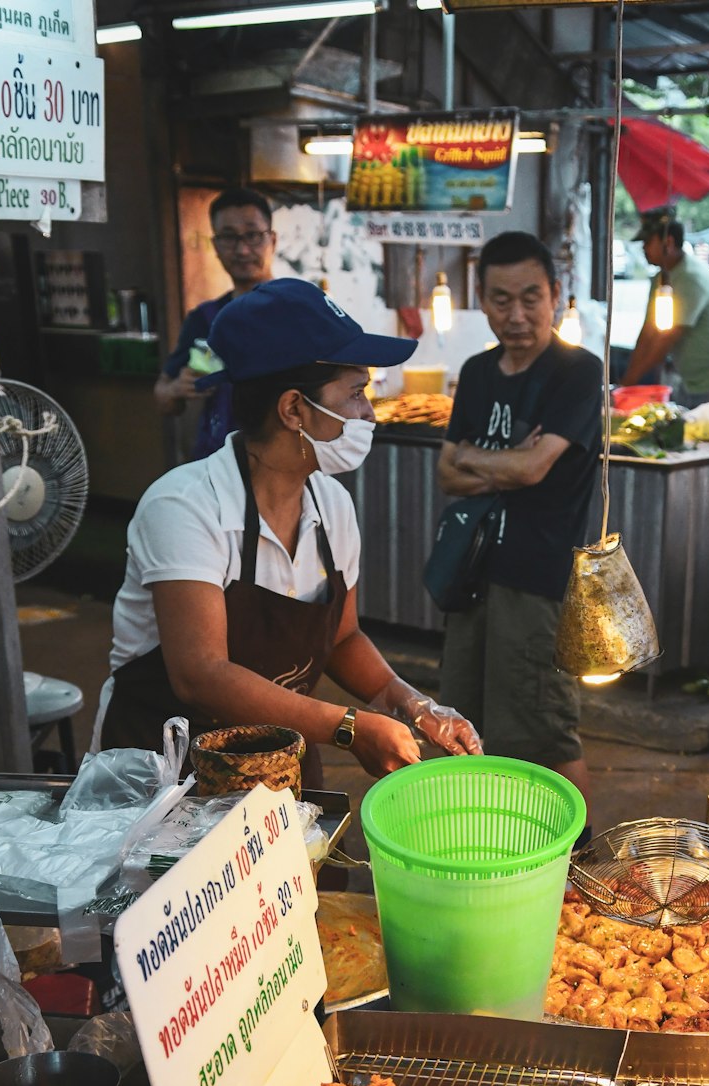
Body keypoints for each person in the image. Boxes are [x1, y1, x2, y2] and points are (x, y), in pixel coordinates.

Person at [98, 280, 481, 785]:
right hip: (164, 772)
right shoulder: (185, 506)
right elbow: (200, 674)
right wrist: (348, 727)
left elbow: (342, 637)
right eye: (356, 393)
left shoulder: (333, 505)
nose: (369, 413)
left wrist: (409, 701)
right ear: (293, 409)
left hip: (279, 757)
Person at [436, 231, 603, 839]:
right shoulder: (479, 372)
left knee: (543, 728)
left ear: (556, 296)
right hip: (472, 574)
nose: (517, 314)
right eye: (501, 299)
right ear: (481, 301)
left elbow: (531, 469)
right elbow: (445, 473)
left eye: (531, 297)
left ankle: (582, 861)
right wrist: (507, 464)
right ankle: (487, 846)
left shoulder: (578, 372)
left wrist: (483, 461)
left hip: (537, 579)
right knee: (463, 722)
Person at [154, 187, 277, 460]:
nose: (242, 249)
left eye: (253, 235)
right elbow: (163, 398)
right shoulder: (204, 319)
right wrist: (177, 388)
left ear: (273, 241)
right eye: (229, 237)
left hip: (285, 463)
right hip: (219, 465)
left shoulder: (298, 311)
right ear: (216, 246)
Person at [621, 210, 709, 407]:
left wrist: (628, 384)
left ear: (669, 242)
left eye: (648, 242)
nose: (644, 248)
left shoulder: (691, 276)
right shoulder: (661, 279)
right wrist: (626, 383)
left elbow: (666, 338)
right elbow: (647, 333)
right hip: (693, 381)